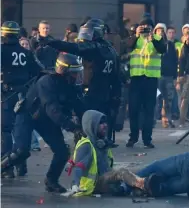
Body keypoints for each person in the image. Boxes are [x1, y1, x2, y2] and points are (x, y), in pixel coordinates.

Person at [1, 53, 85, 193]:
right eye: (74, 73)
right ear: (64, 72)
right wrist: (72, 127)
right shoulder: (46, 81)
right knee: (21, 151)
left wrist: (90, 124)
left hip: (46, 120)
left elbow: (81, 107)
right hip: (28, 115)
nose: (77, 77)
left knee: (62, 152)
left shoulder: (71, 86)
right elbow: (52, 109)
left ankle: (51, 181)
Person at [42, 19, 121, 147]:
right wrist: (116, 97)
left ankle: (85, 147)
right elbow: (117, 77)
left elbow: (73, 47)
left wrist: (52, 42)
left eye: (88, 33)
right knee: (102, 123)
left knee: (87, 124)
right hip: (106, 92)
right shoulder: (110, 50)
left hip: (91, 92)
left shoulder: (95, 48)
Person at [62, 110, 143, 197]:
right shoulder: (86, 145)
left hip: (105, 179)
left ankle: (143, 187)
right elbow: (78, 167)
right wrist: (75, 184)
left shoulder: (102, 143)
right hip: (94, 184)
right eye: (100, 123)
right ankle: (143, 185)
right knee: (122, 172)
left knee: (138, 172)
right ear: (91, 125)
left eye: (105, 122)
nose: (105, 125)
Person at [1, 21, 43, 178]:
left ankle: (6, 167)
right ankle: (21, 164)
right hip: (23, 95)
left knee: (5, 130)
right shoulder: (26, 52)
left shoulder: (1, 50)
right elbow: (39, 71)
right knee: (20, 131)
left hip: (7, 95)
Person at [126, 16, 166, 148]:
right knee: (134, 110)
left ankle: (147, 139)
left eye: (148, 27)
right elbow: (128, 46)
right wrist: (137, 34)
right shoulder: (135, 39)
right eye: (143, 27)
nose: (146, 30)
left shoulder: (158, 39)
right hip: (136, 78)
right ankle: (133, 137)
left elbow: (162, 49)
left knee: (149, 110)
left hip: (151, 79)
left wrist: (152, 38)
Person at [156, 23, 177, 128]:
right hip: (156, 75)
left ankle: (167, 118)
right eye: (158, 30)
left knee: (168, 98)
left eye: (162, 30)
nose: (160, 32)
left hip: (168, 76)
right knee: (158, 98)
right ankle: (157, 118)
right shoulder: (153, 44)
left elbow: (174, 60)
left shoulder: (170, 44)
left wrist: (175, 76)